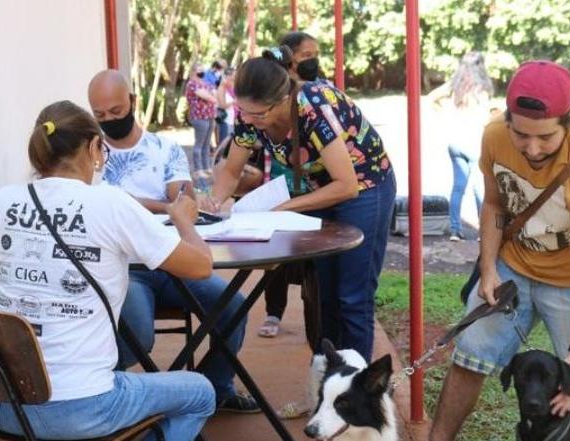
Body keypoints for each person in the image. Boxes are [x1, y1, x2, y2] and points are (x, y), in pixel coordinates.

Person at [0, 100, 215, 439]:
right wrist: (182, 221)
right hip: (78, 407)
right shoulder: (109, 202)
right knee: (199, 392)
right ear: (93, 147)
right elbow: (201, 266)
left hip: (1, 403)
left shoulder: (4, 199)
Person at [429, 60, 570, 441]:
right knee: (469, 359)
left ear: (569, 120)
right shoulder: (495, 136)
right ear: (508, 119)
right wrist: (488, 270)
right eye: (522, 135)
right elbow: (495, 204)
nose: (532, 148)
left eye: (546, 138)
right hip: (514, 263)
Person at [200, 46, 396, 362]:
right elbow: (232, 170)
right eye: (243, 111)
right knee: (325, 296)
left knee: (352, 297)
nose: (249, 120)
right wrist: (214, 200)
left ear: (282, 100)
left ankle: (360, 392)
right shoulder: (250, 114)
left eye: (258, 114)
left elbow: (345, 186)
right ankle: (328, 381)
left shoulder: (313, 108)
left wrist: (285, 209)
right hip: (318, 188)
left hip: (364, 186)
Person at [88, 70, 259, 414]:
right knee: (138, 335)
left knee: (233, 306)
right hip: (124, 268)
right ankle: (106, 399)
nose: (109, 121)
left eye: (116, 112)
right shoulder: (90, 152)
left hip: (171, 261)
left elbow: (185, 200)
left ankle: (215, 388)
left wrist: (127, 202)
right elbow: (98, 202)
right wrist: (161, 206)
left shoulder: (163, 148)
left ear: (133, 102)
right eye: (100, 115)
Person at [256, 32, 323, 338]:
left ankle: (316, 330)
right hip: (281, 188)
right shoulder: (270, 100)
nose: (313, 60)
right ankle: (273, 313)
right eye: (306, 55)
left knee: (313, 267)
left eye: (315, 54)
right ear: (289, 58)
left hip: (315, 195)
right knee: (278, 261)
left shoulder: (322, 94)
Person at [429, 51, 493, 241]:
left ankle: (456, 230)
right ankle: (483, 231)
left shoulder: (454, 86)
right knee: (479, 188)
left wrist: (443, 113)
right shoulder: (481, 88)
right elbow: (485, 116)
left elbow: (432, 97)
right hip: (474, 142)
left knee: (458, 187)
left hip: (455, 142)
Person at [185, 63, 217, 182]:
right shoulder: (192, 84)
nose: (202, 72)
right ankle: (198, 170)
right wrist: (212, 97)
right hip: (199, 117)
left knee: (206, 143)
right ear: (193, 71)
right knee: (199, 144)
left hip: (209, 116)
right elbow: (209, 97)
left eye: (203, 70)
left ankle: (206, 166)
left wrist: (212, 96)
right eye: (199, 70)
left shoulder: (204, 83)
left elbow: (213, 94)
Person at [216, 67, 236, 145]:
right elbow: (222, 105)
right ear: (227, 76)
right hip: (225, 121)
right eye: (234, 75)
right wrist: (234, 102)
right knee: (223, 144)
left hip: (231, 121)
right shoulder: (221, 89)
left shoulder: (229, 89)